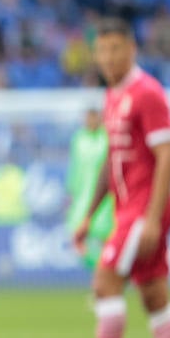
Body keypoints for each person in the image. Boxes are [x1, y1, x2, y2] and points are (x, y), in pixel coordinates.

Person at [68, 18, 170, 338]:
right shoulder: (112, 96)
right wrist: (90, 213)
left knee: (105, 283)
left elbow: (167, 155)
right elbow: (113, 159)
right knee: (154, 294)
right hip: (130, 209)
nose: (108, 57)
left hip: (143, 211)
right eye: (102, 50)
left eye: (115, 49)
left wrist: (153, 218)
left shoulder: (147, 93)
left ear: (132, 49)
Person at [65, 106, 114, 270]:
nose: (90, 120)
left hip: (104, 198)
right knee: (80, 239)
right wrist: (71, 194)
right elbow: (74, 168)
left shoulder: (106, 137)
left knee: (105, 238)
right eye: (88, 116)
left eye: (94, 116)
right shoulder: (78, 139)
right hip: (81, 197)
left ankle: (105, 274)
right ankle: (98, 274)